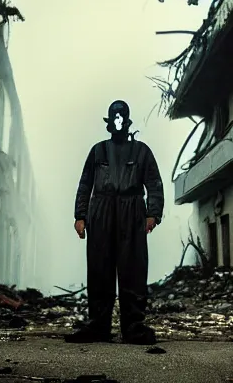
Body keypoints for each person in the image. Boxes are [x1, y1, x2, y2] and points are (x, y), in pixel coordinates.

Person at [64, 100, 164, 344]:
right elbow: (85, 184)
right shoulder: (97, 151)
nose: (118, 123)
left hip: (132, 213)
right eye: (114, 119)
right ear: (109, 123)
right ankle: (99, 326)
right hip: (102, 211)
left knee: (133, 269)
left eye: (122, 119)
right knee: (99, 268)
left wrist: (153, 214)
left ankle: (134, 328)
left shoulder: (142, 151)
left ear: (127, 122)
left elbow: (154, 184)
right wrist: (81, 215)